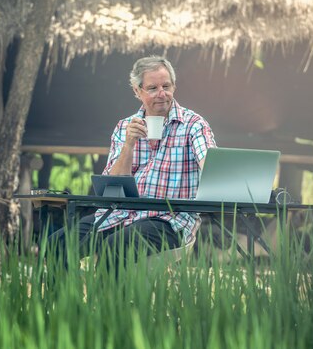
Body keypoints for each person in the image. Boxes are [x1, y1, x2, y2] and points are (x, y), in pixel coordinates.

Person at [49, 56, 216, 268]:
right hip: (120, 215)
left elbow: (209, 162)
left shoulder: (193, 124)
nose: (162, 94)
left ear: (174, 86)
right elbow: (112, 186)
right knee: (58, 243)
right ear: (138, 91)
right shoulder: (124, 127)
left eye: (166, 86)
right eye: (153, 88)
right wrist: (129, 144)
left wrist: (208, 166)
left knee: (116, 245)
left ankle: (107, 302)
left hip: (169, 220)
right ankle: (64, 301)